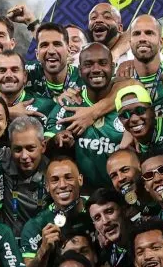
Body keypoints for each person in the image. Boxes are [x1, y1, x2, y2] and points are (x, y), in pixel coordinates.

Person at [46, 43, 126, 190]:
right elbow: (46, 142)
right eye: (88, 64)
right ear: (80, 70)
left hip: (123, 191)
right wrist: (57, 140)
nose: (96, 69)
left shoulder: (126, 102)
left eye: (103, 63)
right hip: (84, 196)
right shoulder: (68, 103)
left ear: (113, 67)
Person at [0, 115, 50, 237]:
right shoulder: (4, 158)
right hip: (9, 241)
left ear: (43, 146)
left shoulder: (53, 173)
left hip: (42, 239)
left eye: (30, 148)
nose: (24, 156)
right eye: (17, 149)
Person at [25, 23, 81, 99]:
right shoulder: (25, 72)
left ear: (68, 51)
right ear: (37, 54)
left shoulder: (82, 77)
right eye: (44, 45)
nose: (51, 51)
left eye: (57, 44)